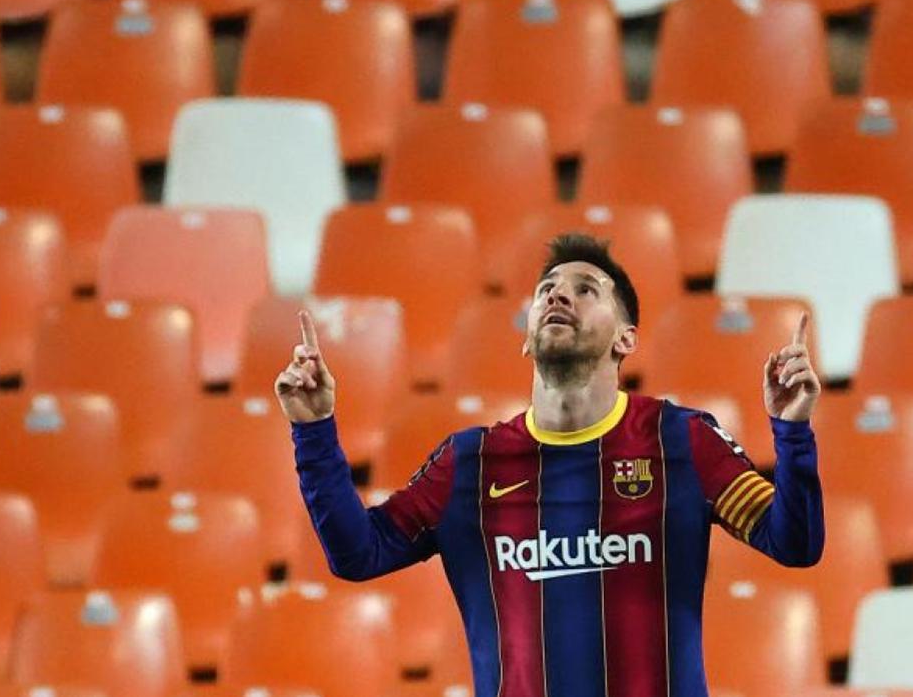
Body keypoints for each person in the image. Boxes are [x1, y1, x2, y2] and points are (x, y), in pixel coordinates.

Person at [275, 233, 824, 697]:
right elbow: (357, 553)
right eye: (547, 290)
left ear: (627, 338)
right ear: (527, 338)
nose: (559, 295)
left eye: (586, 289)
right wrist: (314, 429)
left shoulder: (682, 441)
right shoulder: (468, 464)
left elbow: (796, 543)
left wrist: (792, 432)